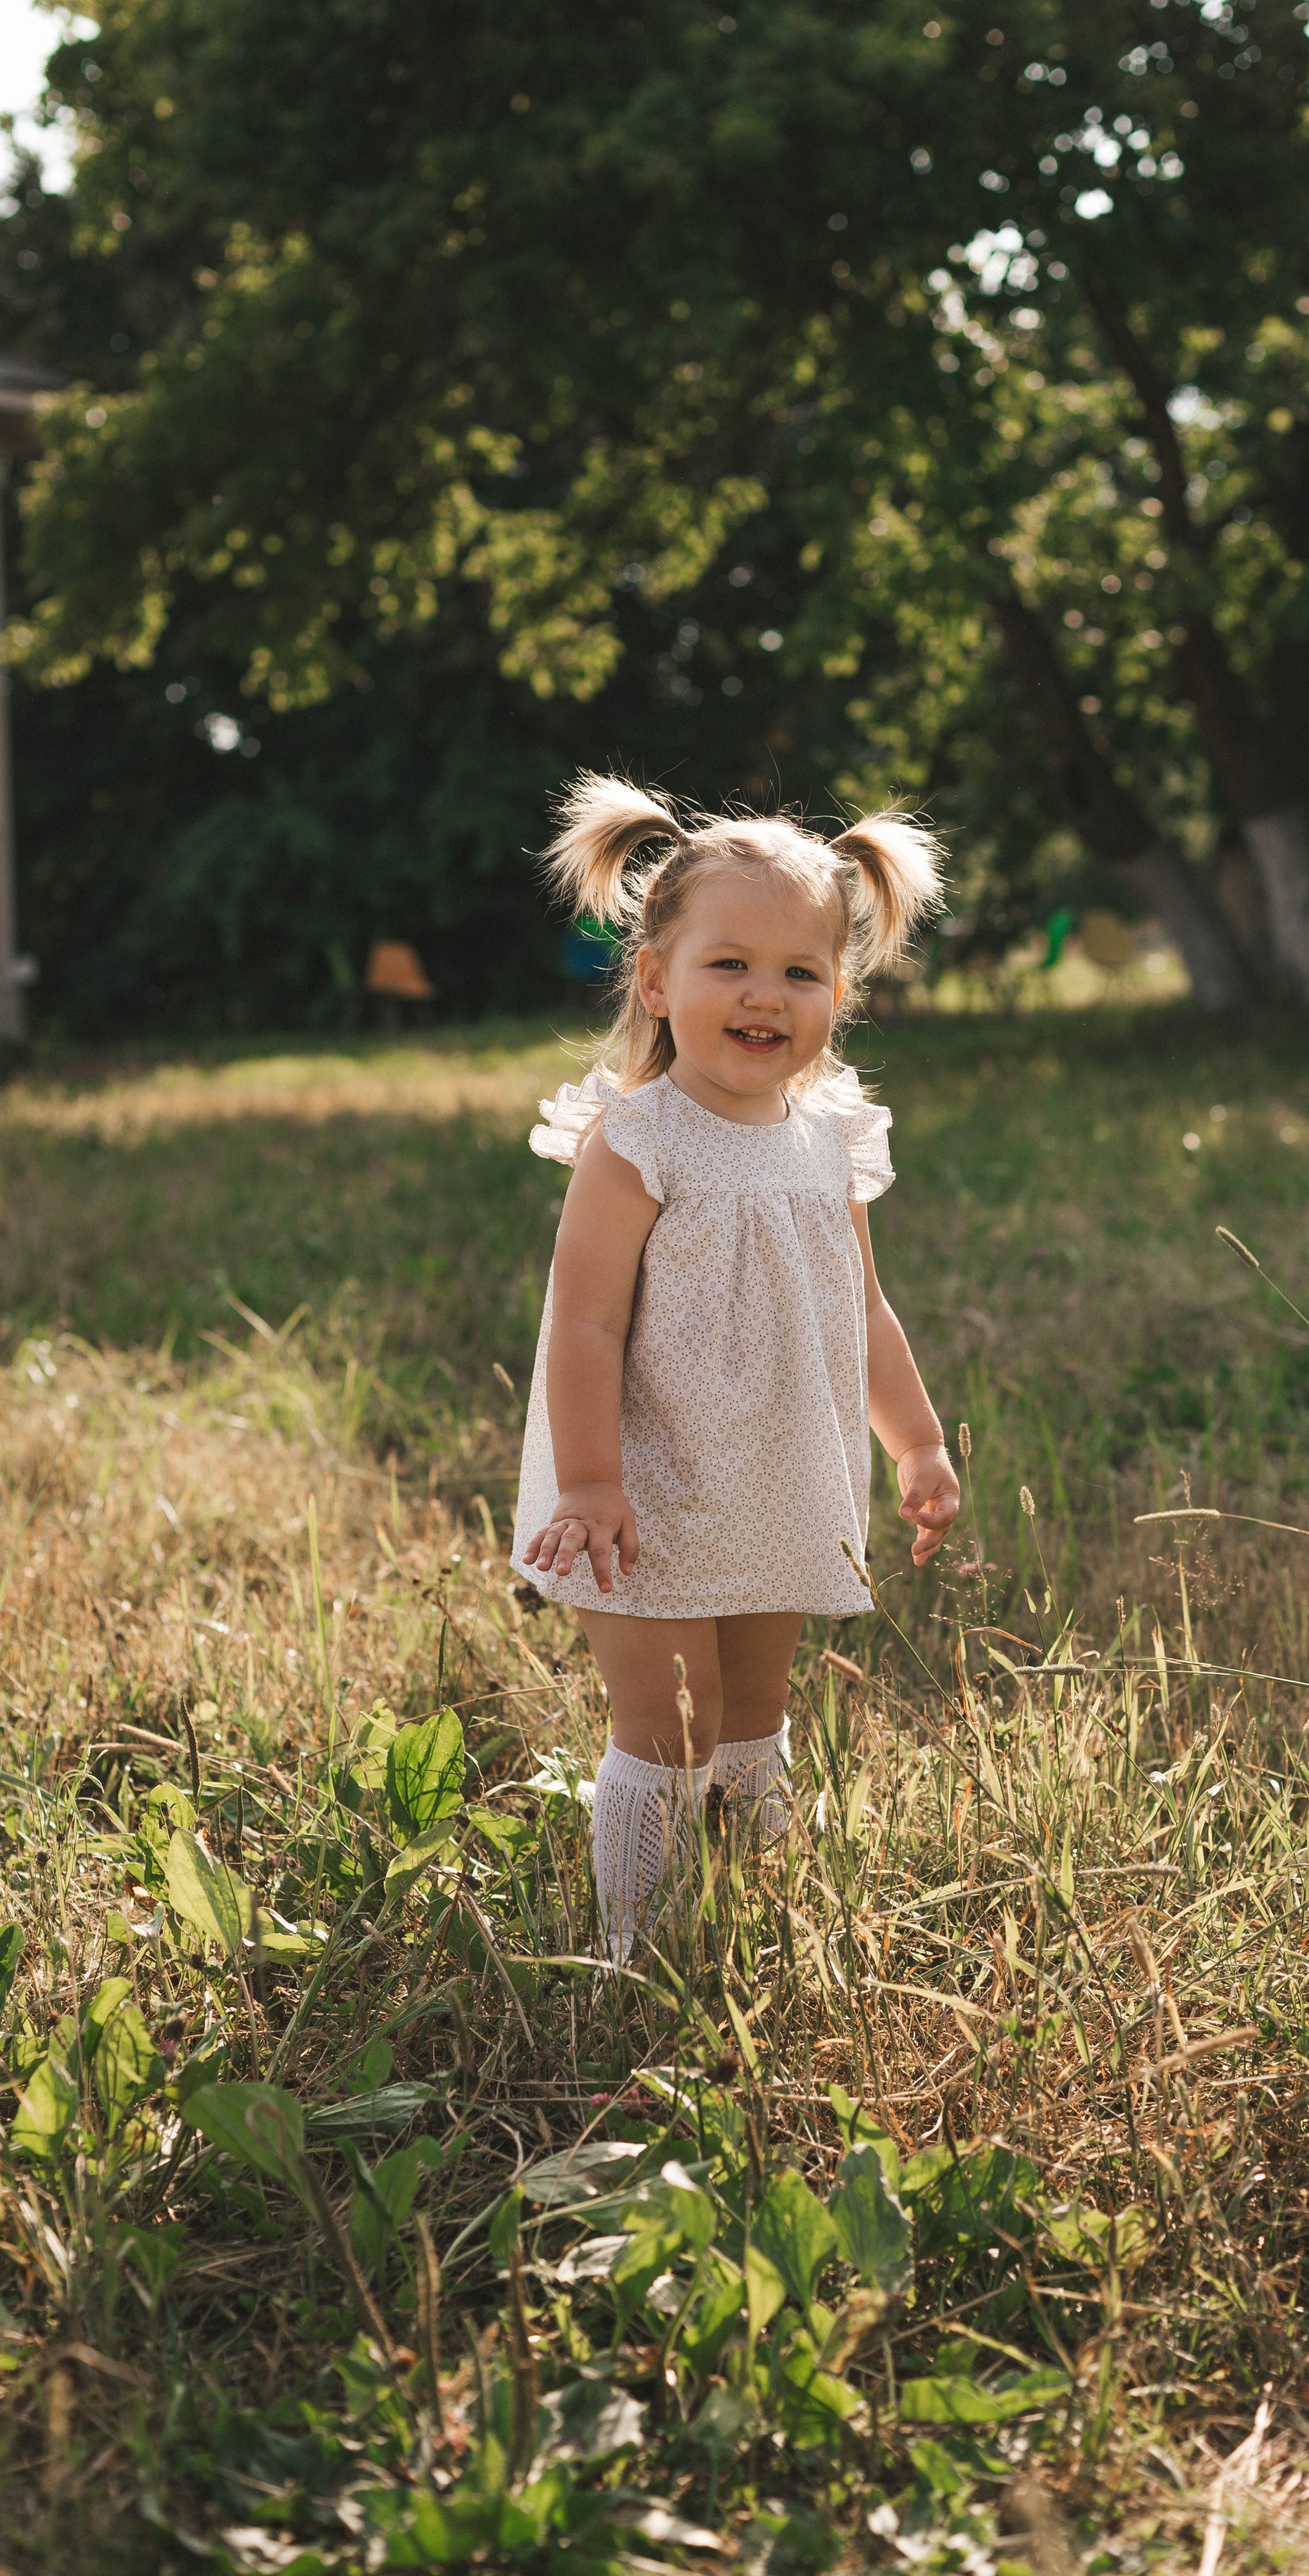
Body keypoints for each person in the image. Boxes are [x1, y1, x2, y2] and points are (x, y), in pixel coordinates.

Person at [515, 776, 962, 1961]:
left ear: (838, 996)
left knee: (752, 1714)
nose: (765, 994)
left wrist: (913, 1439)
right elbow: (584, 1326)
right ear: (658, 980)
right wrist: (592, 1481)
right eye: (730, 966)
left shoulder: (830, 1138)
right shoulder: (637, 1142)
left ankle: (760, 1916)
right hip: (643, 1487)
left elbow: (861, 1305)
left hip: (774, 1475)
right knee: (664, 1724)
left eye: (801, 973)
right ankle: (637, 1954)